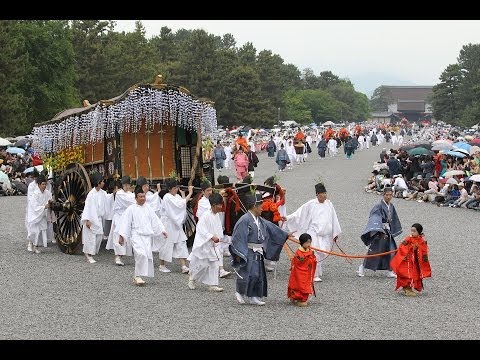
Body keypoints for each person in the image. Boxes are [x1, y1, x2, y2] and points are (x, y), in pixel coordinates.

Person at [230, 193, 295, 305]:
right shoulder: (244, 219)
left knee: (257, 274)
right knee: (246, 273)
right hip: (248, 250)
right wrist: (240, 253)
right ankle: (239, 292)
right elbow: (238, 236)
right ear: (254, 206)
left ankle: (254, 296)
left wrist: (284, 234)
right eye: (260, 206)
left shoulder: (259, 219)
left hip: (258, 251)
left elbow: (271, 227)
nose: (262, 208)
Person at [285, 182, 341, 282]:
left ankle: (316, 272)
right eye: (322, 193)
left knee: (322, 252)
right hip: (314, 233)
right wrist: (287, 218)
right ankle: (313, 274)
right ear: (317, 194)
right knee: (314, 253)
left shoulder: (329, 204)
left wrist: (335, 233)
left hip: (325, 234)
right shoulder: (311, 204)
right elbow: (299, 214)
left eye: (325, 193)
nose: (324, 195)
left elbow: (334, 218)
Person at [118, 185, 168, 286]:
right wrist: (122, 236)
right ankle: (137, 276)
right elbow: (125, 223)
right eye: (140, 197)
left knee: (146, 255)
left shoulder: (148, 208)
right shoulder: (131, 209)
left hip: (146, 236)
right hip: (136, 235)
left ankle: (139, 275)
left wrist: (162, 230)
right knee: (140, 254)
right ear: (136, 197)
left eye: (143, 196)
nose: (142, 198)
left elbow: (155, 221)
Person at [357, 186, 402, 278]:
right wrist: (379, 229)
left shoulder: (391, 206)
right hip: (379, 232)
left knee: (391, 250)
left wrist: (392, 229)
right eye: (387, 195)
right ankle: (362, 267)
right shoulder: (378, 206)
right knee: (375, 252)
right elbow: (374, 217)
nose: (388, 197)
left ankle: (390, 270)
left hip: (387, 231)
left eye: (390, 195)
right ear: (383, 195)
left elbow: (393, 218)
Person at [187, 193, 226, 292]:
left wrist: (219, 237)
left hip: (213, 244)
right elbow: (201, 229)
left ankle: (212, 285)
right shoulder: (205, 215)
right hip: (204, 244)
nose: (221, 207)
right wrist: (211, 236)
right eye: (219, 205)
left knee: (214, 264)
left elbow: (218, 228)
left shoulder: (216, 215)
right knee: (202, 264)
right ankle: (192, 277)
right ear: (213, 205)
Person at [157, 178, 193, 273]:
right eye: (174, 188)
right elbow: (180, 204)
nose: (176, 189)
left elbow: (182, 203)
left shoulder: (176, 196)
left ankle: (183, 266)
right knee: (166, 244)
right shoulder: (167, 197)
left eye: (176, 187)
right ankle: (162, 265)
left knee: (181, 243)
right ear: (169, 189)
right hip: (168, 223)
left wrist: (184, 194)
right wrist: (190, 193)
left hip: (176, 224)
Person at [390, 223, 431, 296]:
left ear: (419, 232)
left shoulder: (421, 241)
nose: (412, 233)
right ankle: (407, 288)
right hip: (408, 261)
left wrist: (418, 248)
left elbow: (424, 250)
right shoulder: (408, 239)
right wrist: (411, 248)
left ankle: (409, 288)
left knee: (415, 275)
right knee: (406, 274)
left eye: (414, 231)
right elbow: (402, 247)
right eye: (411, 231)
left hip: (416, 262)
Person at [106, 176, 135, 266]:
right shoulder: (119, 193)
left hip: (126, 217)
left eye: (128, 185)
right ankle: (117, 256)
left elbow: (133, 201)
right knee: (118, 235)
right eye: (125, 185)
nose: (127, 186)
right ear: (122, 185)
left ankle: (120, 256)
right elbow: (130, 202)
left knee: (126, 236)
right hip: (119, 217)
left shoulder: (131, 194)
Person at [80, 173, 106, 264]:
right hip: (91, 218)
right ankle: (88, 255)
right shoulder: (91, 194)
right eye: (102, 181)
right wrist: (87, 219)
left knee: (99, 236)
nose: (103, 183)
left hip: (98, 218)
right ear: (98, 182)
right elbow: (88, 207)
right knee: (90, 237)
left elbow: (108, 200)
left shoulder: (103, 193)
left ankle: (91, 252)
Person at [287, 233, 317, 307]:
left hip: (306, 271)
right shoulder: (299, 253)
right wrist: (308, 256)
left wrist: (312, 258)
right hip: (299, 272)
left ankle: (303, 298)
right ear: (302, 242)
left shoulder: (309, 251)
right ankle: (297, 298)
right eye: (307, 242)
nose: (308, 244)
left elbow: (312, 260)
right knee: (298, 284)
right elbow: (299, 262)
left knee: (306, 284)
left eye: (309, 242)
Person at [26, 175, 52, 254]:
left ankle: (36, 246)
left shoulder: (47, 193)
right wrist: (44, 206)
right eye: (42, 184)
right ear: (39, 185)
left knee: (40, 230)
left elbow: (50, 200)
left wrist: (50, 203)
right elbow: (34, 206)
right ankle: (31, 243)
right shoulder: (35, 194)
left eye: (45, 184)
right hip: (35, 214)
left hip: (42, 214)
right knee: (34, 230)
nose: (44, 186)